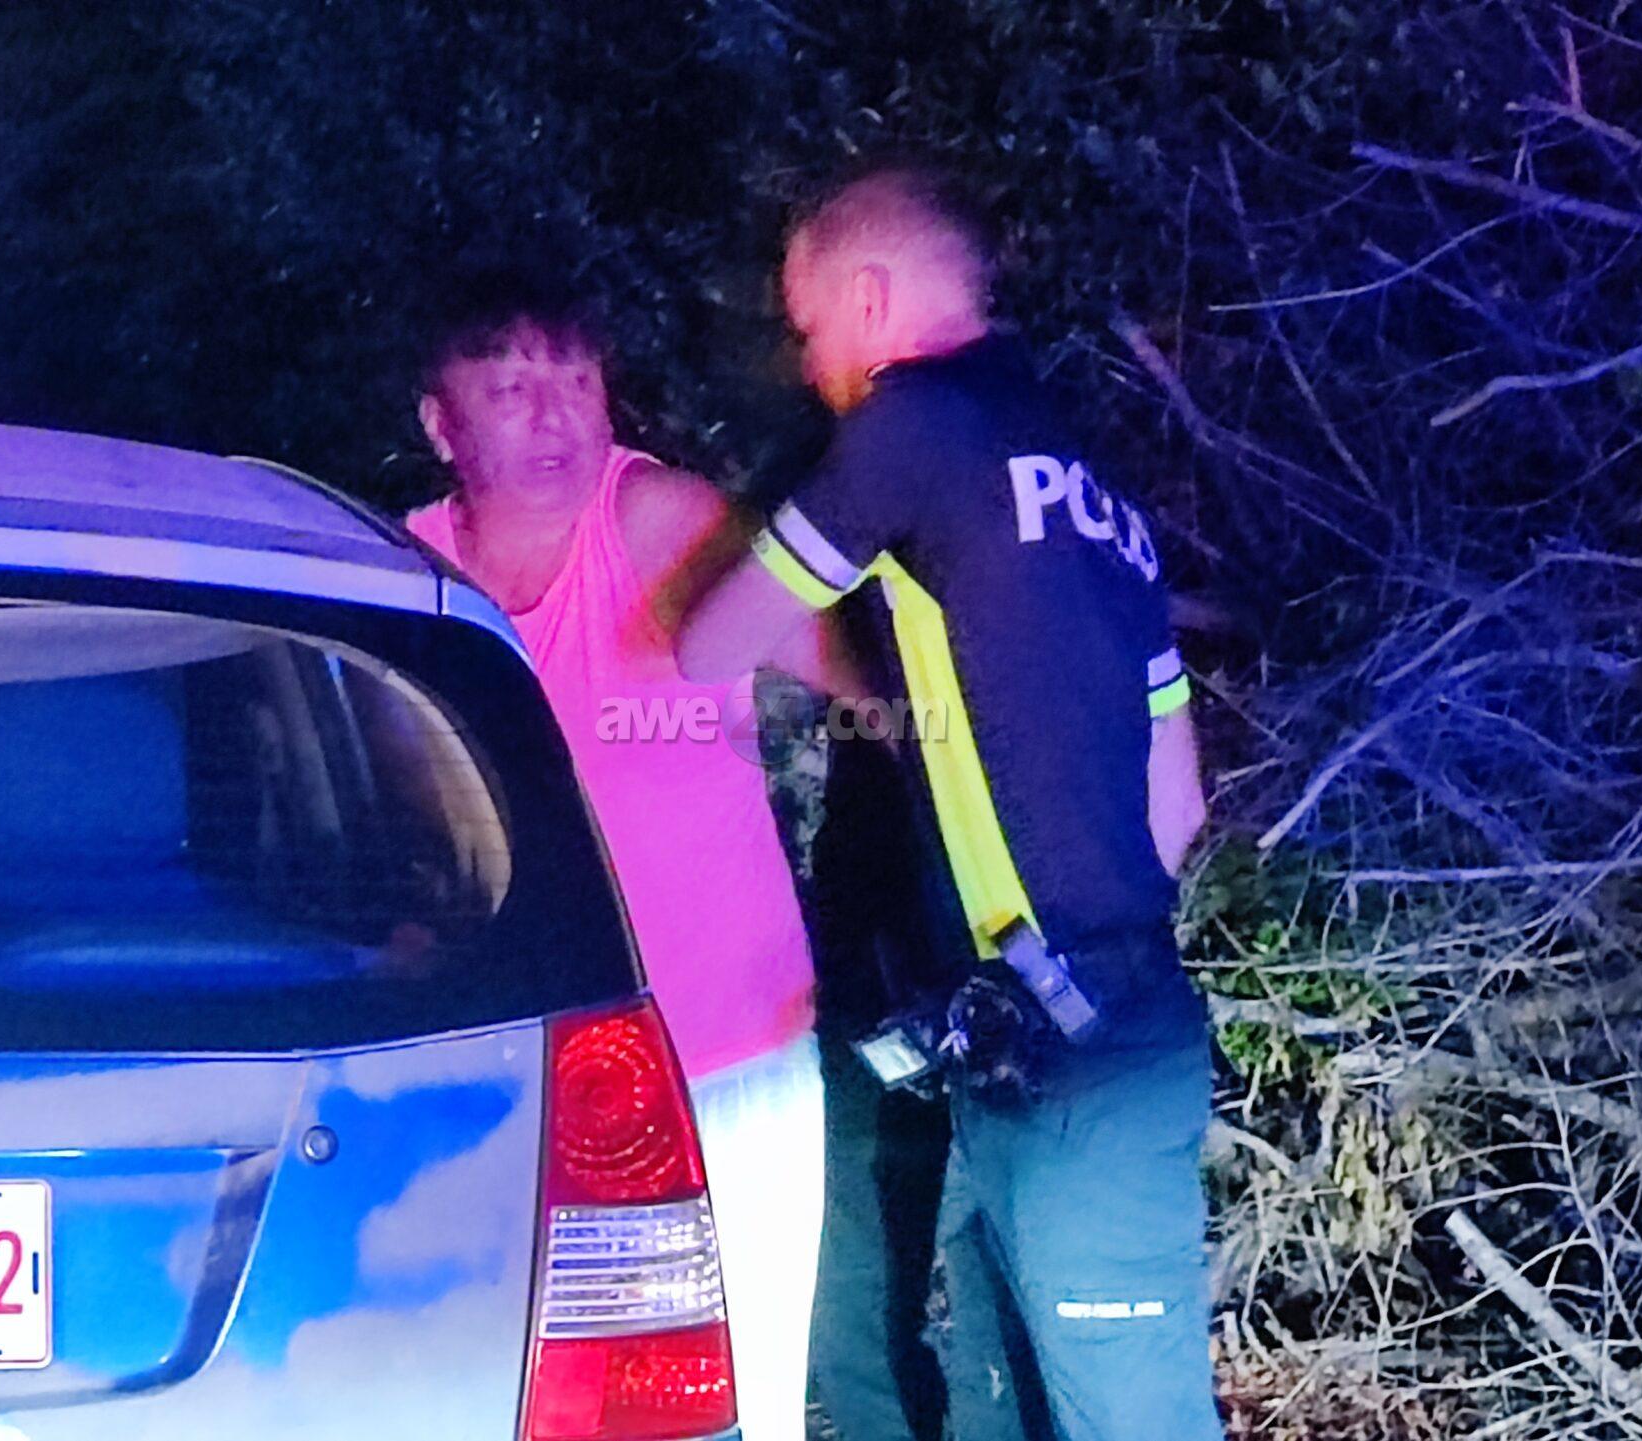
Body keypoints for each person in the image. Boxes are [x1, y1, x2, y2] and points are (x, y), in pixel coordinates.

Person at [676, 166, 1224, 1441]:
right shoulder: (1101, 496)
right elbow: (1178, 805)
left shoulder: (914, 427)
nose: (812, 364)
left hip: (1059, 1058)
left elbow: (713, 643)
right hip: (1092, 1024)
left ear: (868, 300)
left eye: (810, 326)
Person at [403, 268, 842, 1441]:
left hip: (721, 1059)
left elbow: (863, 673)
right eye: (510, 389)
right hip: (514, 1080)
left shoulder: (656, 522)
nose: (554, 416)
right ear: (441, 424)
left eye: (578, 382)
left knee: (736, 1405)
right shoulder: (408, 578)